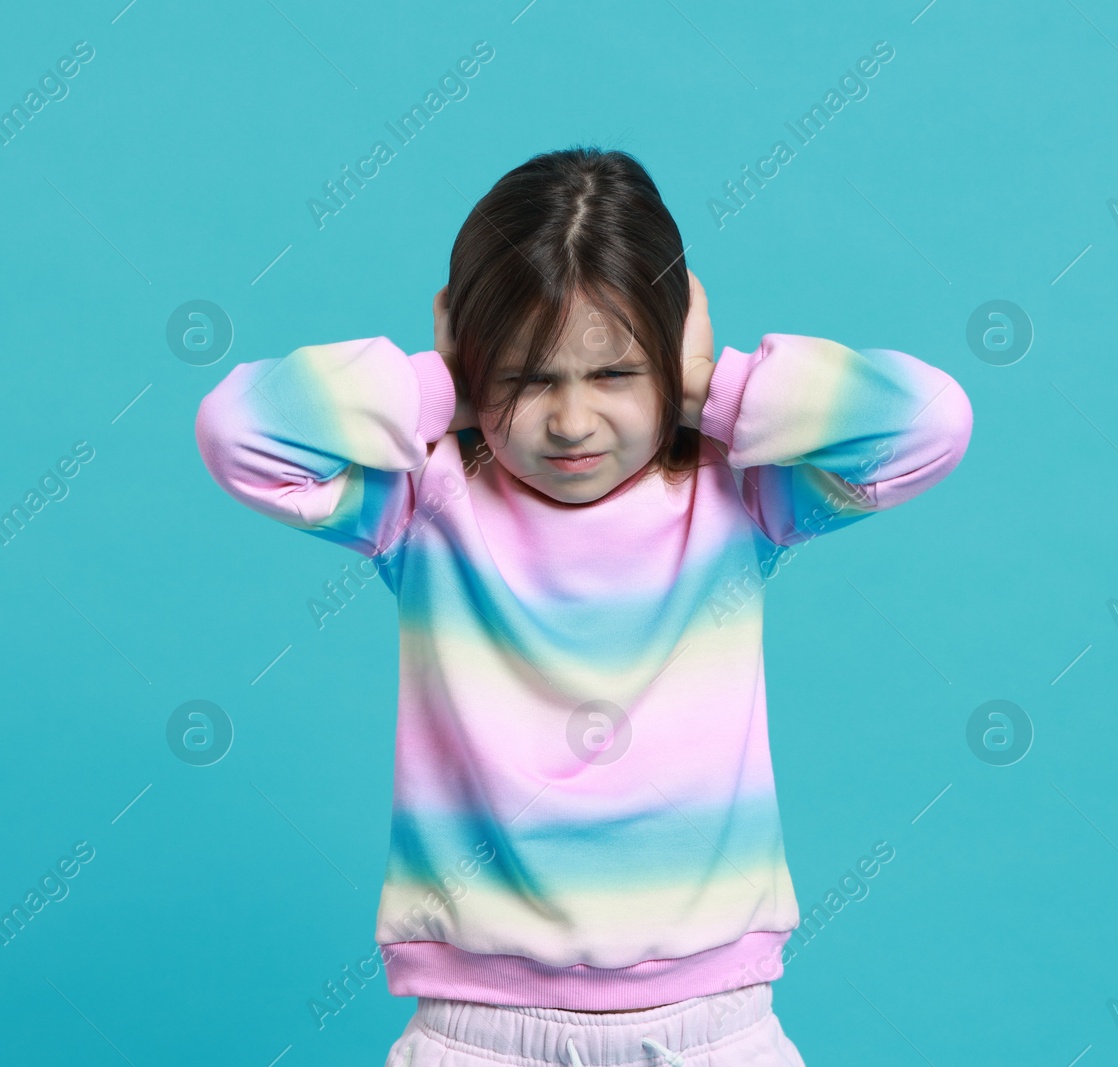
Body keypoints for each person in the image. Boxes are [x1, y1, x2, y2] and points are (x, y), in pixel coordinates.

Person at [193, 145, 973, 1066]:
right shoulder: (423, 506)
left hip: (714, 1025)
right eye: (525, 379)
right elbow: (239, 432)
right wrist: (438, 381)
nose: (571, 421)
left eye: (615, 375)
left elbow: (931, 423)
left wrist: (711, 385)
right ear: (472, 358)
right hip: (478, 1032)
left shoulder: (739, 498)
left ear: (671, 347)